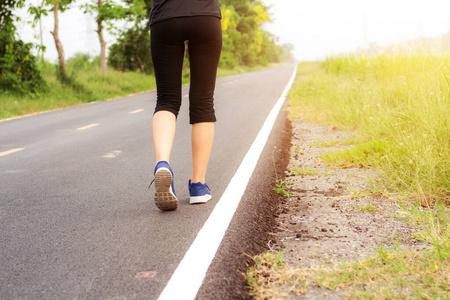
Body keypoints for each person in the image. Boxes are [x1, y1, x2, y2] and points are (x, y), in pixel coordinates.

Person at [149, 0, 222, 211]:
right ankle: (198, 185)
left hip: (166, 17)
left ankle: (162, 164)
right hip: (205, 15)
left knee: (166, 99)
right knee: (203, 101)